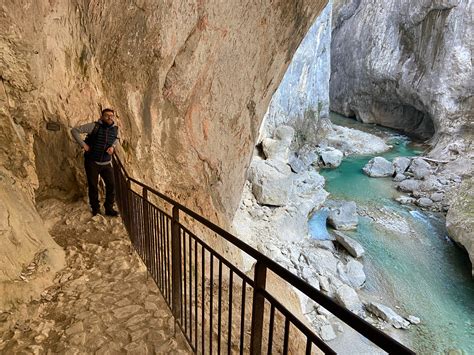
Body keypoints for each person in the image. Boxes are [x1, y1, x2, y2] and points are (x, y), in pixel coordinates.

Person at [71, 108, 120, 216]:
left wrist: (112, 146)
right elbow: (74, 130)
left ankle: (109, 208)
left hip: (106, 163)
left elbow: (116, 138)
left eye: (111, 116)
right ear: (102, 117)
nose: (109, 117)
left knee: (112, 185)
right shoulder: (94, 126)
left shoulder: (115, 128)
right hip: (92, 162)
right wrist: (83, 145)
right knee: (93, 186)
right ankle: (95, 209)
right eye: (107, 115)